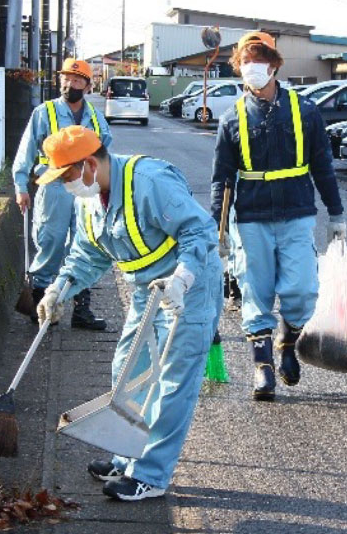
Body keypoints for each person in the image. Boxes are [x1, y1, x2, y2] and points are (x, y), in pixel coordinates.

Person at [34, 125, 223, 502]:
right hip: (146, 289)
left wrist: (182, 280)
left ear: (89, 165)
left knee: (172, 381)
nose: (66, 185)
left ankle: (152, 474)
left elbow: (200, 232)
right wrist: (60, 289)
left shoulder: (150, 182)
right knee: (128, 370)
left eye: (68, 176)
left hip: (190, 285)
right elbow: (88, 255)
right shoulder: (87, 200)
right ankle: (127, 453)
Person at [211, 31, 346, 401]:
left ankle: (288, 342)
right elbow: (221, 178)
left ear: (274, 65)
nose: (252, 69)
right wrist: (217, 230)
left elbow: (323, 165)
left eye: (259, 61)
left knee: (302, 288)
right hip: (251, 217)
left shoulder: (305, 111)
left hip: (296, 212)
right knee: (255, 290)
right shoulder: (231, 118)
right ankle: (263, 367)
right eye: (245, 63)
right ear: (238, 68)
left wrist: (336, 213)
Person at [12, 58, 111, 330]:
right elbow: (26, 150)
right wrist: (22, 186)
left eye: (78, 80)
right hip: (54, 186)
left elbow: (105, 154)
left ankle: (81, 310)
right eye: (67, 78)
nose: (71, 84)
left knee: (84, 243)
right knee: (51, 241)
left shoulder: (96, 118)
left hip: (85, 187)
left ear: (88, 85)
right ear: (60, 81)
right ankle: (40, 307)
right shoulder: (44, 113)